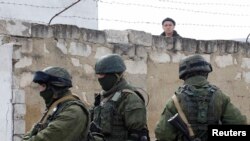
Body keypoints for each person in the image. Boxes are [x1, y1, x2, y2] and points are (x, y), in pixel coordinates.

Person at [154, 54, 247, 141]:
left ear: (183, 75)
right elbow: (240, 126)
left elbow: (163, 134)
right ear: (206, 72)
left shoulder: (175, 101)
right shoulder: (221, 97)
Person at [90, 54, 150, 141]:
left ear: (115, 75)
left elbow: (138, 136)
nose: (99, 78)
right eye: (98, 74)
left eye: (102, 74)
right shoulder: (102, 97)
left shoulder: (130, 99)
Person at [23, 66, 89, 141]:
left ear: (55, 88)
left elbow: (46, 138)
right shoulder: (56, 107)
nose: (40, 90)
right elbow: (32, 133)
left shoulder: (73, 111)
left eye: (43, 86)